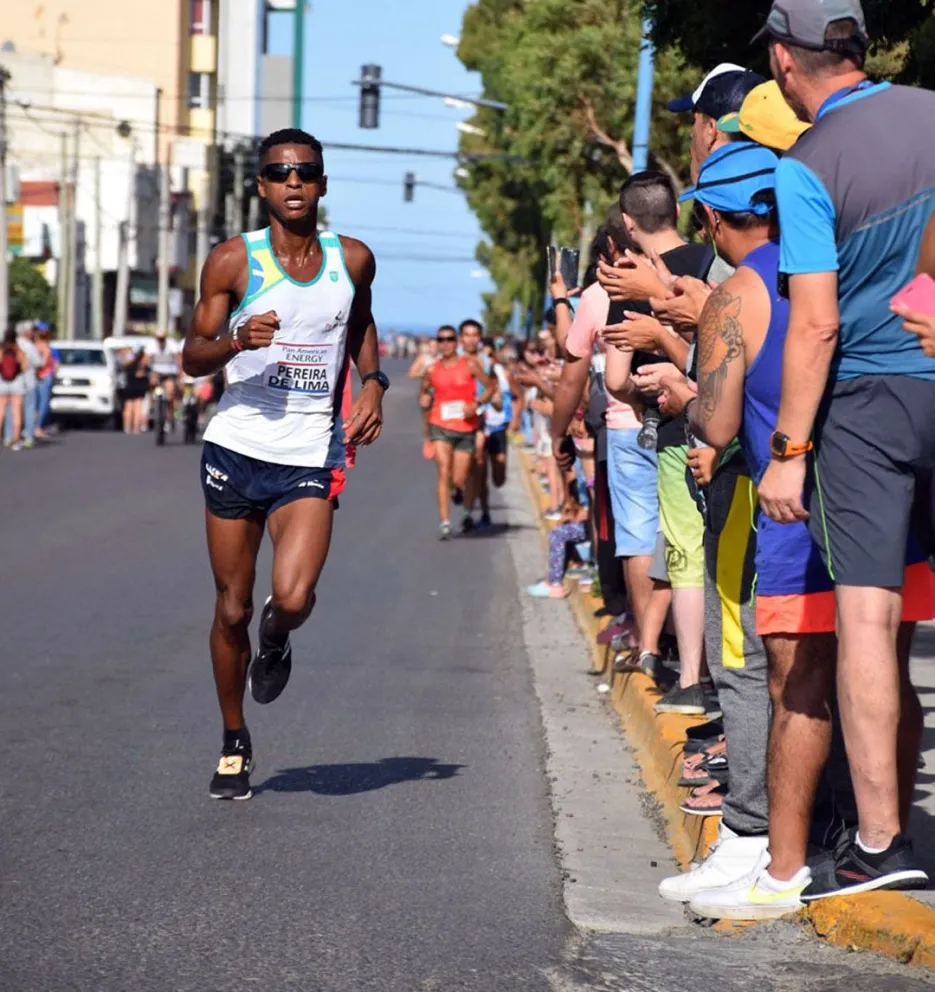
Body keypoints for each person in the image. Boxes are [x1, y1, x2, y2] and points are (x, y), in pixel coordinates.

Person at [659, 140, 935, 918]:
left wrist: (684, 385)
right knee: (883, 663)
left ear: (713, 219)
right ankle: (870, 834)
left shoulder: (737, 293)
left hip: (790, 503)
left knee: (795, 688)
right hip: (884, 487)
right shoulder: (849, 263)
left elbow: (712, 423)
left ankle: (780, 868)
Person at [754, 0, 935, 897]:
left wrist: (787, 448)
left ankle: (878, 843)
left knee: (870, 619)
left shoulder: (807, 164)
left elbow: (814, 326)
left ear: (786, 63)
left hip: (867, 402)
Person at [182, 128, 387, 801]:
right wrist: (236, 340)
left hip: (309, 448)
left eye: (305, 172)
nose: (293, 183)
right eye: (279, 173)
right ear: (262, 186)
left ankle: (280, 639)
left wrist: (375, 383)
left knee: (291, 598)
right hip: (237, 447)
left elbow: (358, 324)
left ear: (322, 184)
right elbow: (192, 355)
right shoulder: (231, 262)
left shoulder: (351, 258)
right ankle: (233, 739)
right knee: (231, 607)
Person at [602, 171, 712, 714]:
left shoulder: (630, 279)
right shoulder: (711, 264)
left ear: (627, 222)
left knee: (682, 550)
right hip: (728, 423)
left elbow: (616, 377)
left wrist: (645, 391)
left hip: (674, 431)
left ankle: (692, 677)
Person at [420, 324, 495, 539]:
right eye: (441, 339)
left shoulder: (470, 364)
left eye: (450, 339)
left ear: (456, 342)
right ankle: (445, 522)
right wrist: (424, 400)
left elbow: (490, 387)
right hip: (440, 426)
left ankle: (459, 491)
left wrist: (476, 404)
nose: (445, 344)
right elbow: (424, 394)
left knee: (459, 478)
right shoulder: (432, 369)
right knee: (444, 472)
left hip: (466, 427)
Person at [408, 338, 438, 461]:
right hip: (426, 393)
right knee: (428, 421)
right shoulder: (424, 358)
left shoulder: (443, 358)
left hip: (441, 395)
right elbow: (412, 373)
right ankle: (428, 441)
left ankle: (440, 443)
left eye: (436, 346)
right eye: (431, 346)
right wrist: (425, 373)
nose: (434, 349)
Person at [0, 329, 28, 450]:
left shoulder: (2, 349)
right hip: (17, 382)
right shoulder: (18, 350)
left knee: (1, 411)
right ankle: (16, 441)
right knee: (16, 412)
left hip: (2, 381)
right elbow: (25, 366)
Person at [148, 330, 182, 429]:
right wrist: (142, 369)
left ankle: (170, 417)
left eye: (162, 339)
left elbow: (178, 358)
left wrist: (181, 372)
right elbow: (146, 358)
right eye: (159, 339)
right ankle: (153, 405)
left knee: (170, 393)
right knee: (152, 382)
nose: (161, 341)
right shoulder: (152, 345)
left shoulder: (172, 345)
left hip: (169, 373)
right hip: (157, 373)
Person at [121, 346, 150, 434]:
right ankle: (136, 428)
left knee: (128, 407)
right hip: (139, 388)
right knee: (138, 407)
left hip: (129, 387)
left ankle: (127, 427)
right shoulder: (142, 365)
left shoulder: (129, 363)